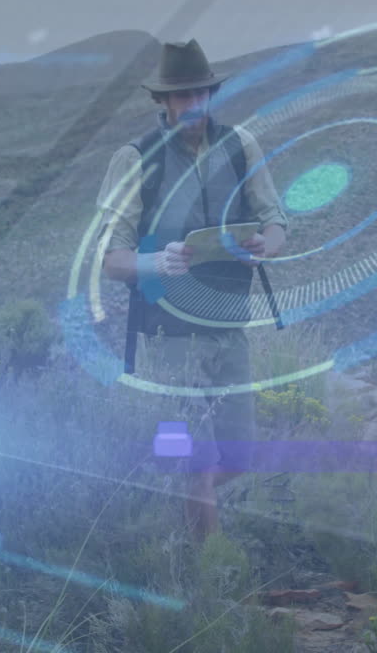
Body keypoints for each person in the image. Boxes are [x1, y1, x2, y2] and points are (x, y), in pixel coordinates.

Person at [96, 39, 288, 544]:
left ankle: (169, 520)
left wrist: (262, 246)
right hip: (168, 335)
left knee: (239, 457)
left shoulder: (240, 145)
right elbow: (110, 260)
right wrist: (157, 261)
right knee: (194, 465)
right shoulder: (135, 159)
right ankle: (208, 580)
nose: (191, 106)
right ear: (163, 102)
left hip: (230, 325)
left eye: (199, 95)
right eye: (180, 98)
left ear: (210, 94)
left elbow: (276, 220)